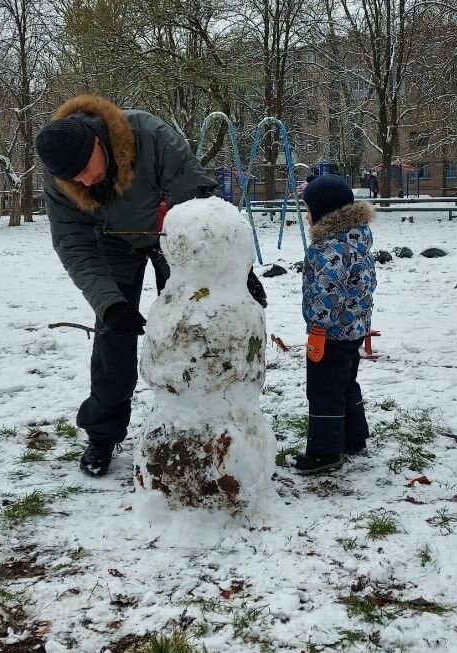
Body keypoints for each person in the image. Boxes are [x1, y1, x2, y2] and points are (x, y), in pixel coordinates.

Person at [36, 93, 267, 476]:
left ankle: (204, 420)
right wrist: (110, 304)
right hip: (111, 238)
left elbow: (199, 204)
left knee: (194, 322)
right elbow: (72, 243)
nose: (81, 180)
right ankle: (102, 434)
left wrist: (233, 273)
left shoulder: (148, 134)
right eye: (71, 178)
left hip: (170, 232)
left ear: (98, 141)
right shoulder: (60, 174)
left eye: (83, 169)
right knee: (112, 335)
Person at [296, 175, 376, 475]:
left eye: (308, 209)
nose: (306, 215)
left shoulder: (329, 249)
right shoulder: (357, 239)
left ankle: (324, 452)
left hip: (328, 333)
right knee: (345, 383)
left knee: (323, 390)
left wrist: (317, 328)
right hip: (354, 329)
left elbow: (326, 295)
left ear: (323, 211)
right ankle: (354, 438)